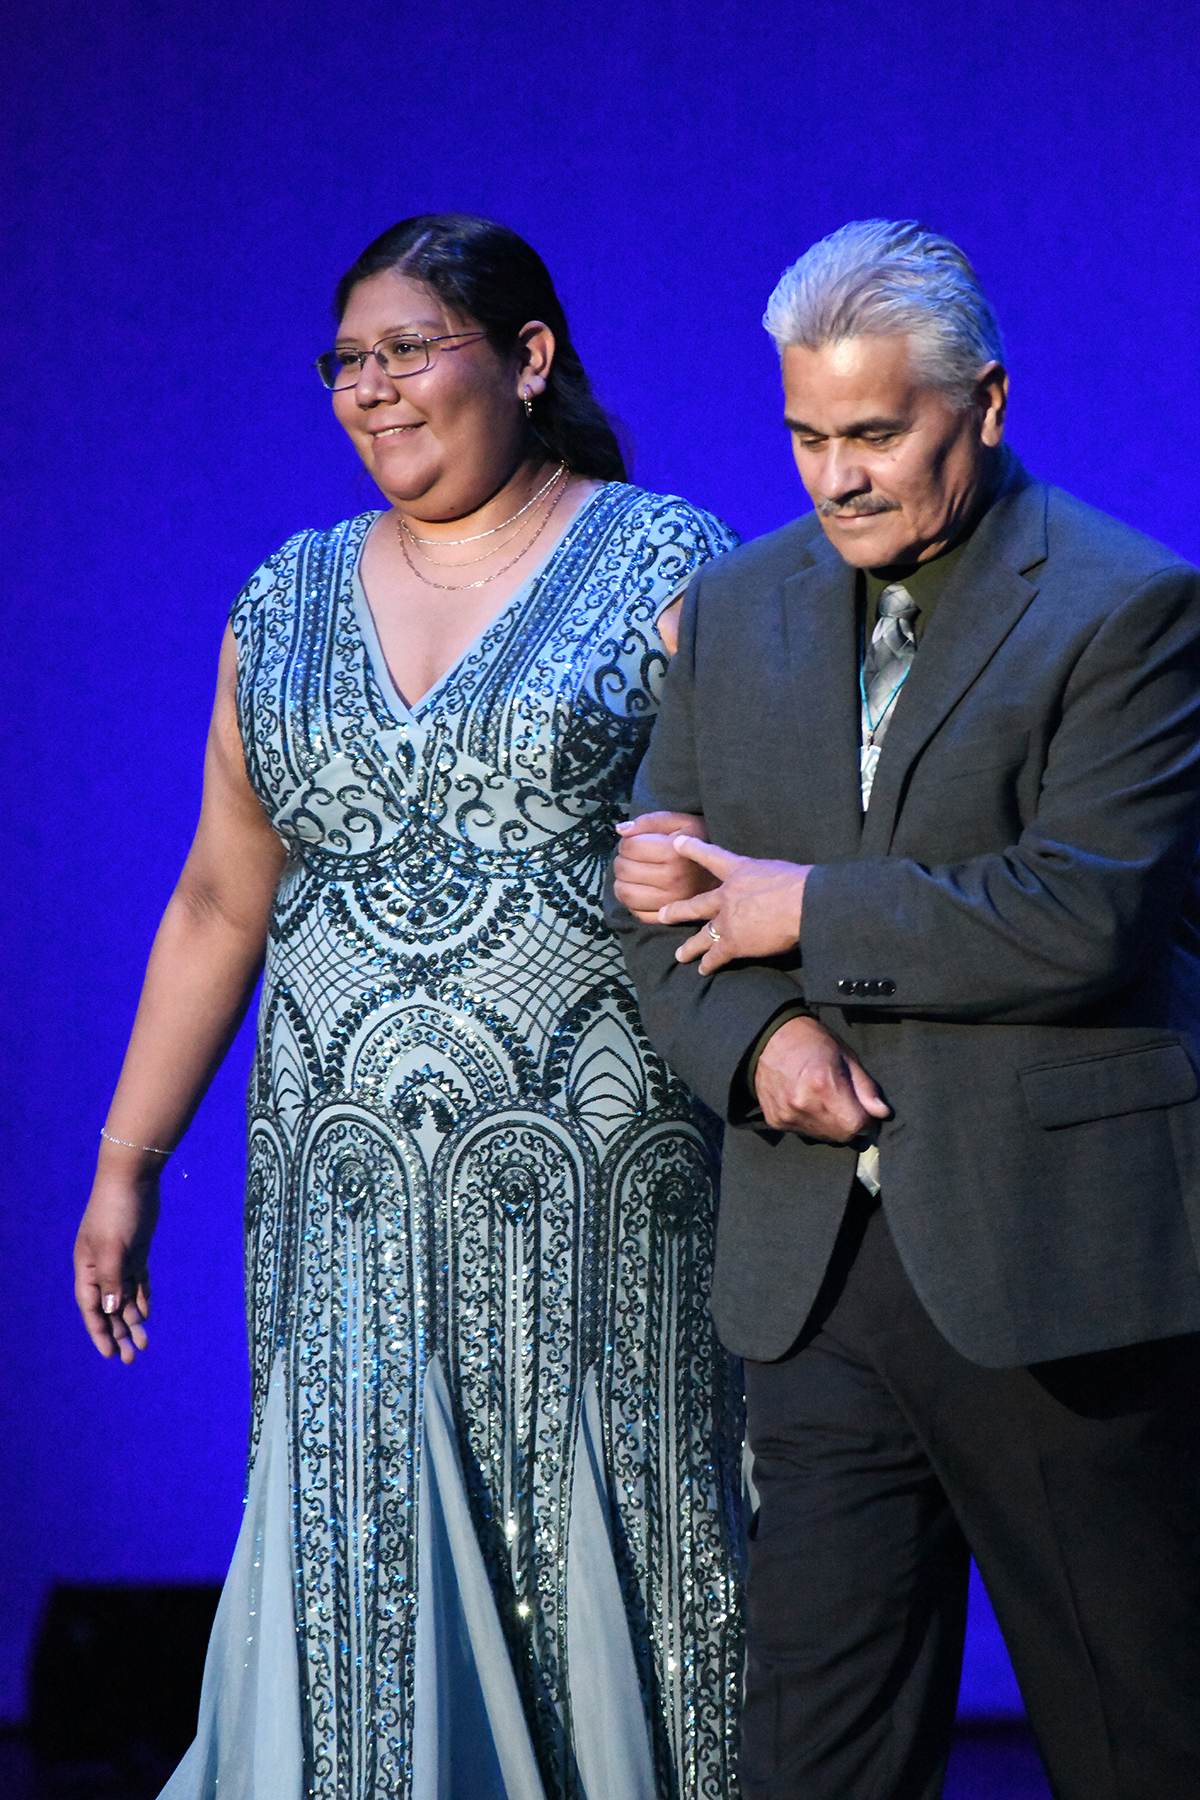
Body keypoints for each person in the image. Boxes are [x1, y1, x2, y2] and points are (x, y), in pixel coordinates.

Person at [73, 213, 744, 1800]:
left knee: (616, 1523)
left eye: (408, 351)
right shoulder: (286, 597)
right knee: (357, 1540)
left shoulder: (666, 563)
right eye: (347, 362)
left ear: (527, 360)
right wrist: (127, 1159)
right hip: (347, 1191)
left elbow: (752, 853)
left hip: (598, 1189)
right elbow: (219, 900)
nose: (371, 391)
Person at [610, 219, 1200, 1800]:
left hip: (1047, 1257)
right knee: (817, 1759)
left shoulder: (1128, 608)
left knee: (1135, 1733)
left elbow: (1087, 909)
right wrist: (760, 1045)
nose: (836, 475)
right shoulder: (731, 613)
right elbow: (664, 925)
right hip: (817, 1272)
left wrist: (799, 909)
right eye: (806, 434)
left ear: (986, 406)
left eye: (877, 434)